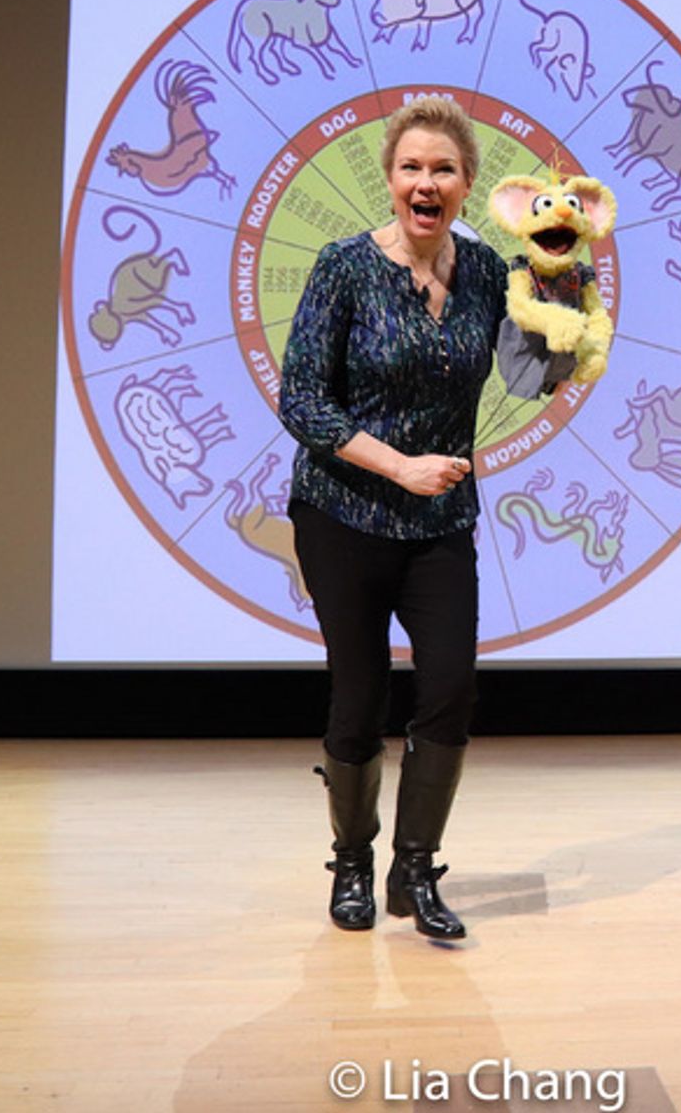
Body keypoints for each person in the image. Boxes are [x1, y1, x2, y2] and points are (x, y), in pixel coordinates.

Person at [278, 96, 508, 940]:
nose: (426, 182)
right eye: (411, 167)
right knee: (360, 696)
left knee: (449, 689)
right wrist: (399, 465)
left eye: (442, 169)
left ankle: (416, 872)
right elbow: (300, 399)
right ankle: (352, 863)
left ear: (466, 185)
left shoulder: (486, 272)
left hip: (441, 522)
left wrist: (570, 310)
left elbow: (529, 370)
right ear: (389, 179)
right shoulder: (343, 268)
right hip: (343, 514)